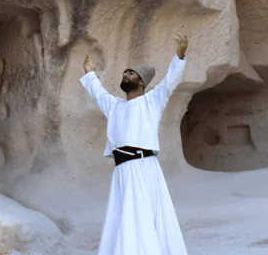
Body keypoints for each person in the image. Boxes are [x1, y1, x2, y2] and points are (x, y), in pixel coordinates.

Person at [81, 33, 189, 255]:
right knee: (123, 219)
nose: (126, 75)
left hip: (143, 167)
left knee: (141, 217)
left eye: (130, 73)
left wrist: (179, 55)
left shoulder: (152, 101)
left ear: (141, 81)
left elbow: (170, 81)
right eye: (124, 72)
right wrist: (90, 74)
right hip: (122, 171)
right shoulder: (115, 106)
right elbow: (98, 92)